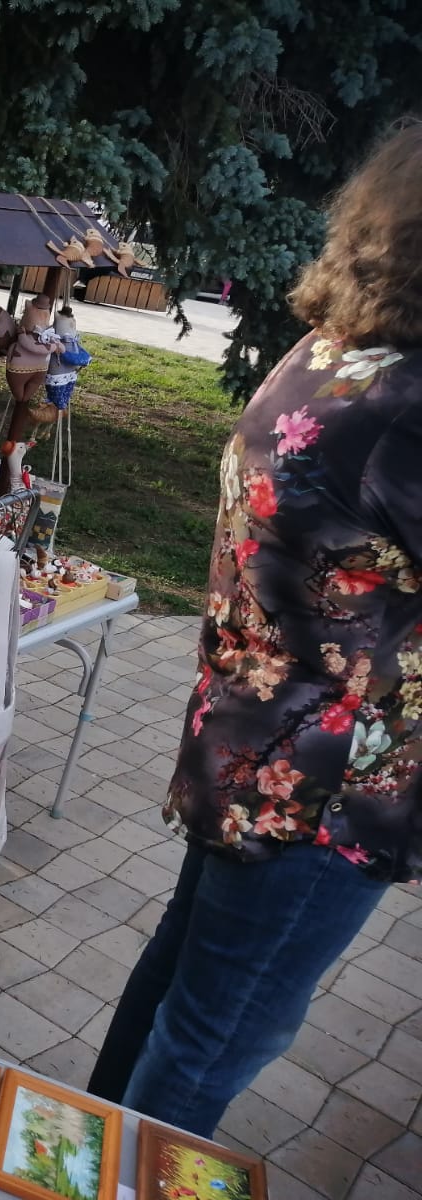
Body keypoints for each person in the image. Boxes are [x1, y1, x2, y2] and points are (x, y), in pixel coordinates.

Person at [85, 120, 422, 1139]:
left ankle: (68, 1154)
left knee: (179, 994)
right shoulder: (407, 407)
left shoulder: (332, 353)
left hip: (248, 748)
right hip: (319, 789)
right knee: (217, 1036)